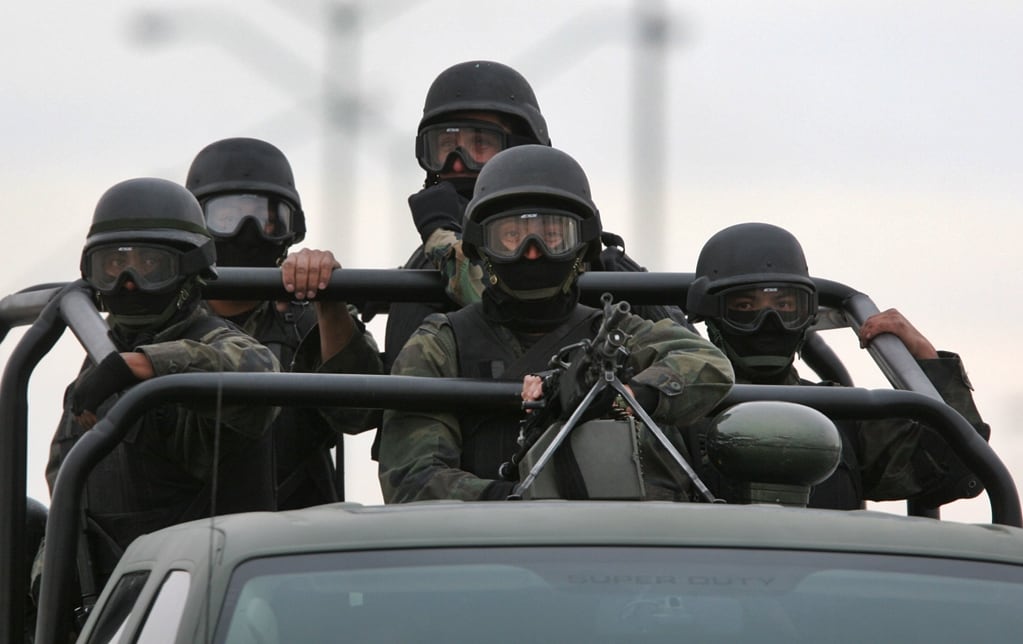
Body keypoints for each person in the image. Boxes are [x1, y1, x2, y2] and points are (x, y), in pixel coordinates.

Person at [379, 145, 734, 503]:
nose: (532, 251)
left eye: (551, 235)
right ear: (482, 248)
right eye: (512, 236)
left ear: (581, 247)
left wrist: (624, 396)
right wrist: (522, 499)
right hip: (487, 545)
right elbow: (413, 478)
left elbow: (710, 365)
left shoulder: (616, 332)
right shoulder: (441, 344)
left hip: (619, 541)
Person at [39, 177, 280, 601]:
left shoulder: (213, 342)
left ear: (190, 267)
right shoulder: (100, 351)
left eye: (150, 264)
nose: (128, 281)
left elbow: (260, 373)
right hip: (106, 605)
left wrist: (148, 366)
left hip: (203, 603)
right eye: (112, 265)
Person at [385, 59, 688, 372]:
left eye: (479, 144)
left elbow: (696, 368)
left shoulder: (593, 261)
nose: (457, 163)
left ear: (523, 148)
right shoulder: (421, 268)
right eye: (445, 145)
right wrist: (335, 312)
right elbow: (362, 409)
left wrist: (441, 236)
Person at [684, 222, 990, 509]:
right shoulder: (672, 413)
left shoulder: (845, 415)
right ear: (712, 315)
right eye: (745, 307)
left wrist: (927, 359)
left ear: (808, 316)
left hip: (824, 564)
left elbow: (954, 467)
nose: (770, 322)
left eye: (786, 306)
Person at [185, 137, 383, 509]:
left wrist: (328, 301)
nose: (248, 230)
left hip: (289, 542)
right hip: (177, 540)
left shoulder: (304, 315)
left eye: (267, 218)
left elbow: (358, 414)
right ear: (196, 225)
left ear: (291, 229)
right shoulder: (166, 316)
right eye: (226, 217)